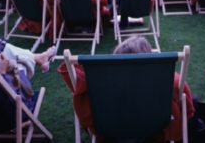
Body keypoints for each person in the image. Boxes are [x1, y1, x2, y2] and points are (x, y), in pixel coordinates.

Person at [58, 35, 195, 142]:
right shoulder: (171, 81)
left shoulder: (98, 85)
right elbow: (188, 111)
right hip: (154, 129)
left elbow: (85, 117)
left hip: (112, 131)